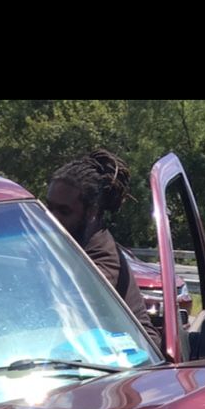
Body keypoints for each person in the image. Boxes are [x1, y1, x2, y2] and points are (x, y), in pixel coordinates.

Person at [45, 150, 163, 353]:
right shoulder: (64, 245)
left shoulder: (103, 258)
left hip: (132, 359)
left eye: (64, 211)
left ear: (91, 212)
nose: (51, 218)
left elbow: (68, 311)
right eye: (48, 207)